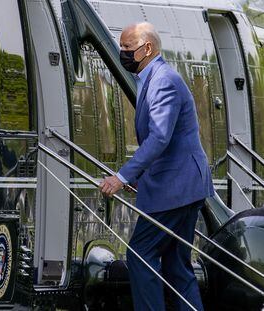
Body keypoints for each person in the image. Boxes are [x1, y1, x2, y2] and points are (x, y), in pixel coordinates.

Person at [99, 22, 214, 310]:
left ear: (147, 48)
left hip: (175, 189)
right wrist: (140, 178)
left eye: (127, 47)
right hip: (183, 187)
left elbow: (160, 136)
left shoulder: (163, 80)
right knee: (176, 266)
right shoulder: (155, 78)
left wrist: (122, 176)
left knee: (139, 255)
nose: (122, 52)